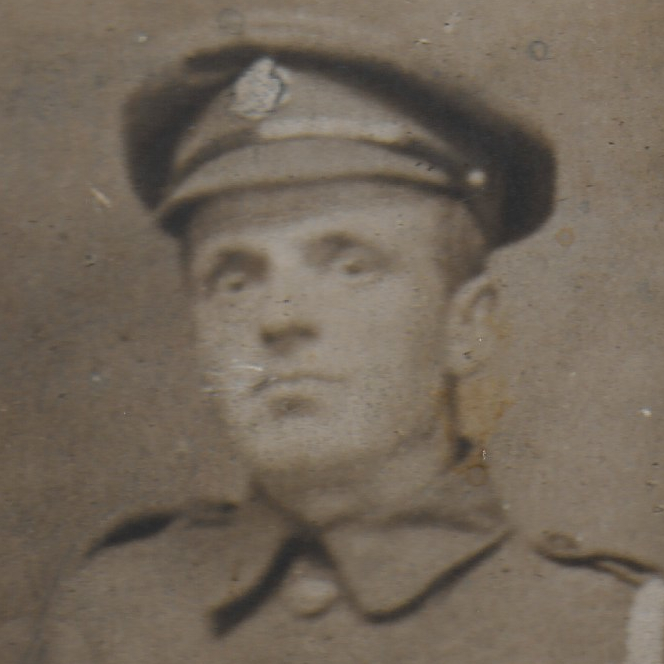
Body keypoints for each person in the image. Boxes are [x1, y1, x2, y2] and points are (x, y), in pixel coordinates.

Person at [34, 15, 662, 664]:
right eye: (235, 280)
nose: (279, 319)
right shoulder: (108, 618)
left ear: (467, 325)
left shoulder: (615, 634)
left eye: (351, 267)